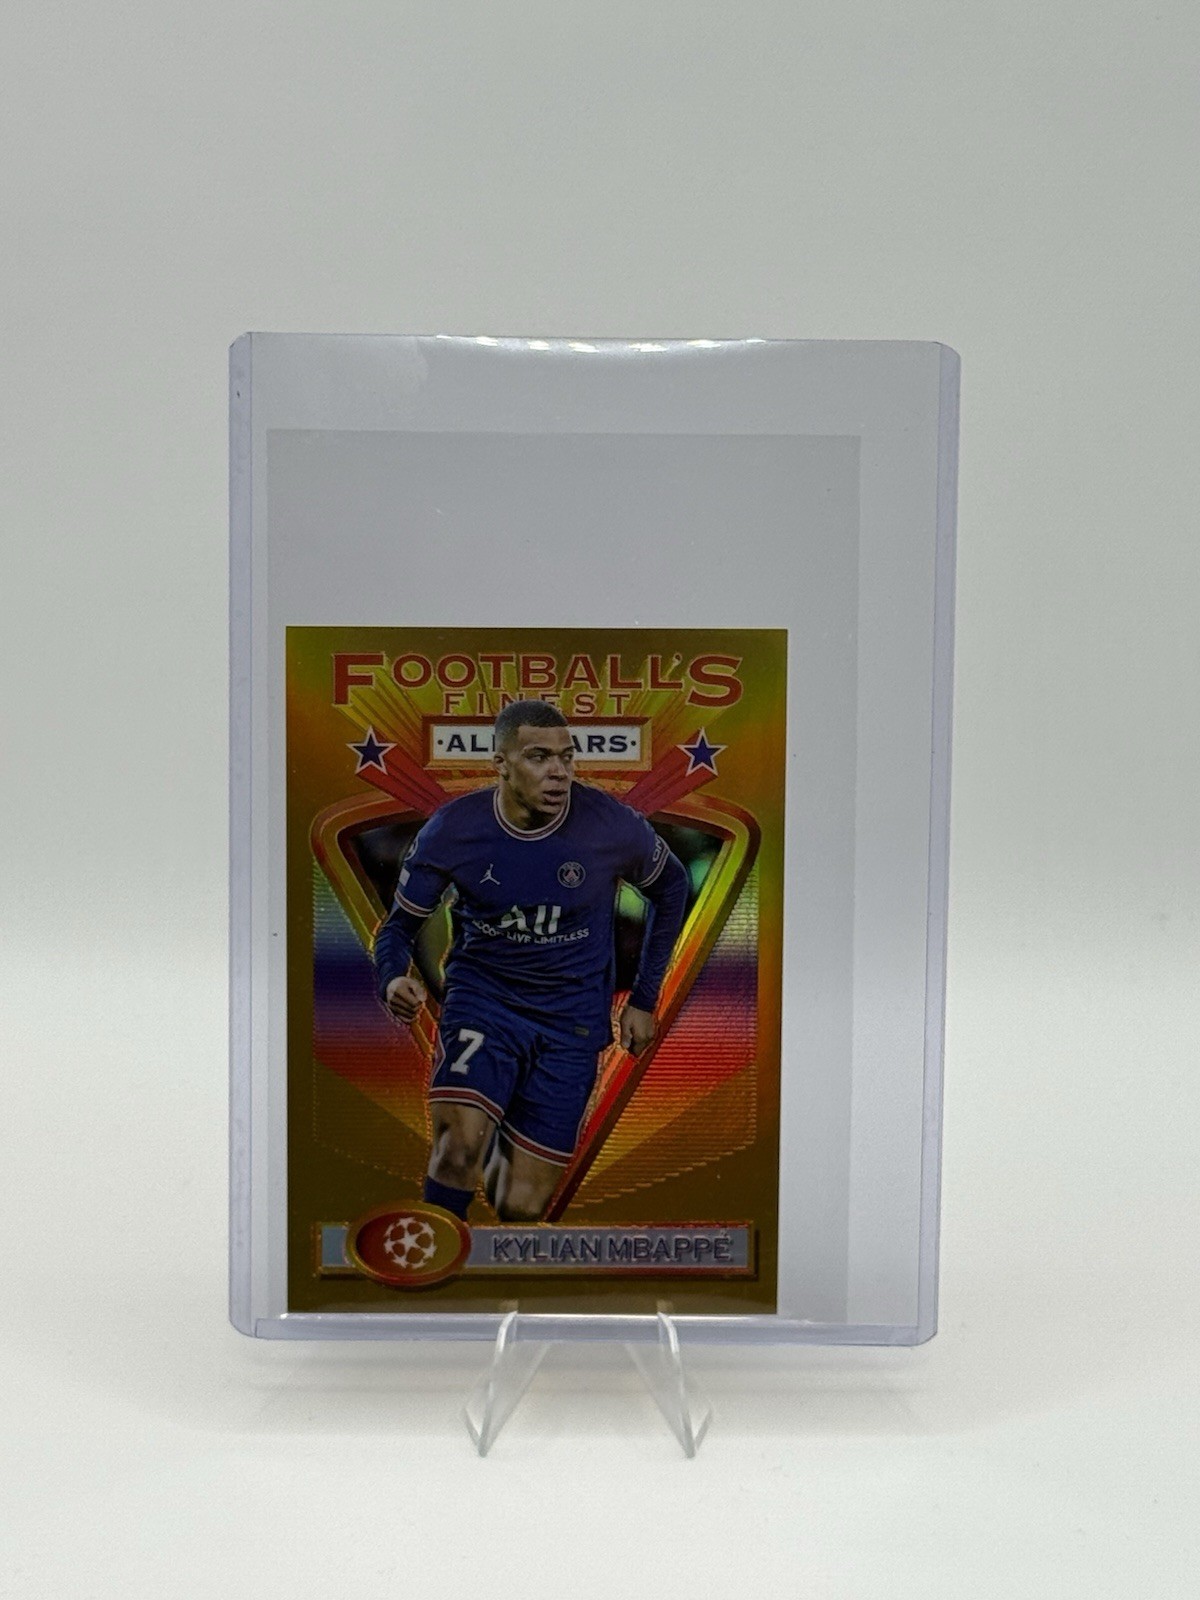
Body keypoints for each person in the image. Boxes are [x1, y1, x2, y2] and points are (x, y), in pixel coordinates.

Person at [375, 699, 688, 1224]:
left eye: (567, 757)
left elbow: (672, 886)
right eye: (539, 757)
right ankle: (434, 1258)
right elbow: (398, 927)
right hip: (485, 1003)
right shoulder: (453, 830)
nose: (559, 771)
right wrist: (392, 979)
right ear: (501, 763)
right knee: (457, 1151)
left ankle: (499, 1137)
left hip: (571, 1021)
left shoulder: (610, 825)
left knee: (520, 1206)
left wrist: (644, 998)